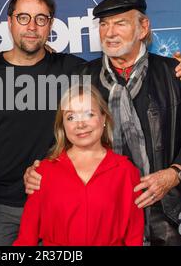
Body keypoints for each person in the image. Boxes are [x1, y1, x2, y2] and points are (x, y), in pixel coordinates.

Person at [0, 0, 181, 246]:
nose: (32, 26)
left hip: (60, 202)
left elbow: (118, 71)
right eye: (23, 18)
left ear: (50, 24)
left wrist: (177, 68)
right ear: (9, 21)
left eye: (41, 19)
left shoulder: (75, 69)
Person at [24, 0, 181, 246]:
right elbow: (63, 136)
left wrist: (173, 175)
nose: (109, 33)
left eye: (120, 23)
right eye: (103, 24)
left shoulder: (173, 73)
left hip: (163, 212)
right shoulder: (83, 76)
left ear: (143, 28)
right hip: (104, 214)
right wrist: (37, 171)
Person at [13, 85, 144, 246]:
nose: (80, 124)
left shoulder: (126, 171)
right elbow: (27, 238)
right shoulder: (42, 172)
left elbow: (134, 237)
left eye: (89, 114)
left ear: (104, 118)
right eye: (71, 117)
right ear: (63, 126)